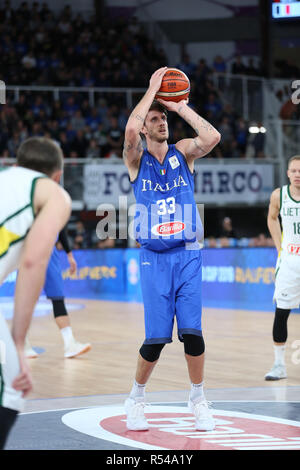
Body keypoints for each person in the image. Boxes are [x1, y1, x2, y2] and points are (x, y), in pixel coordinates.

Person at [122, 67, 221, 431]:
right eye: (156, 118)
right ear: (146, 127)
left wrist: (179, 107)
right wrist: (151, 90)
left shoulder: (183, 153)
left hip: (188, 253)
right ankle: (136, 396)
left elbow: (212, 135)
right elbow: (131, 130)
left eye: (163, 118)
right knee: (157, 338)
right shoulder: (135, 159)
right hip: (154, 258)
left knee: (193, 332)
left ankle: (198, 397)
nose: (161, 121)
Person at [0, 136, 71, 449]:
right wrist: (18, 341)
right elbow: (32, 263)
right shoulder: (55, 194)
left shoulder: (4, 180)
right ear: (57, 174)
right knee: (12, 385)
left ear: (15, 165)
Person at [25, 227, 91, 359]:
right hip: (30, 249)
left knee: (58, 297)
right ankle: (23, 345)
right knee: (26, 300)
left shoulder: (56, 208)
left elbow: (60, 229)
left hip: (50, 251)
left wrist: (70, 255)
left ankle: (69, 344)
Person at [265, 155, 300, 380]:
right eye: (294, 171)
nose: (298, 175)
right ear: (288, 173)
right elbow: (271, 218)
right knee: (282, 312)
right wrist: (280, 247)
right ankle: (279, 365)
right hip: (289, 261)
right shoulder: (279, 195)